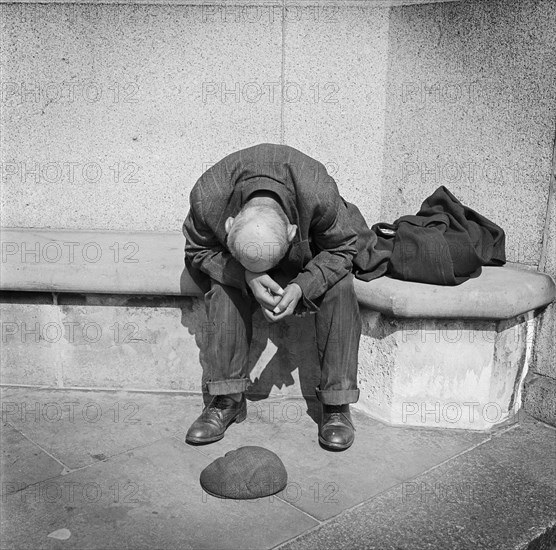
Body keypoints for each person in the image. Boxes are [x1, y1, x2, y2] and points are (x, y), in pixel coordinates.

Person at [182, 142, 362, 451]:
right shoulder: (207, 196)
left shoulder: (317, 189)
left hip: (308, 257)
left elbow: (343, 247)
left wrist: (302, 286)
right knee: (223, 290)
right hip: (241, 265)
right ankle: (227, 397)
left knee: (341, 287)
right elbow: (198, 250)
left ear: (292, 232)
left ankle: (336, 405)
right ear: (228, 225)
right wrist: (247, 277)